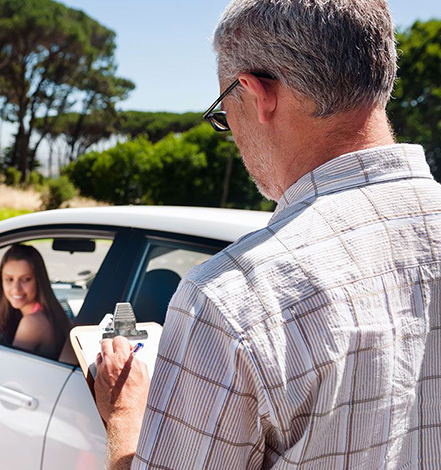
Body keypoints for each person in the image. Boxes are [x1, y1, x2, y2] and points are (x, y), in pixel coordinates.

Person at [94, 1, 441, 469]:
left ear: (258, 94)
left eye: (223, 113)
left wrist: (124, 417)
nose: (230, 134)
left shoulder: (231, 298)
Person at [0, 244, 73, 360]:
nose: (16, 288)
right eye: (9, 279)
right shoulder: (48, 312)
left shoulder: (32, 323)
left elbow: (9, 369)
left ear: (38, 281)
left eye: (26, 279)